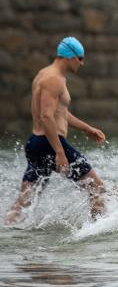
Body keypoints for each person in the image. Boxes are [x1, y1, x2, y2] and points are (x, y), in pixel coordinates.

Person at [4, 37, 107, 224]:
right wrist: (59, 151)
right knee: (97, 188)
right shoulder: (54, 79)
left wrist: (87, 128)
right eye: (80, 58)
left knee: (24, 201)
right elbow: (46, 117)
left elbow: (61, 113)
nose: (82, 63)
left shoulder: (44, 74)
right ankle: (97, 231)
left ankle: (7, 230)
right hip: (49, 143)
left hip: (37, 143)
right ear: (70, 56)